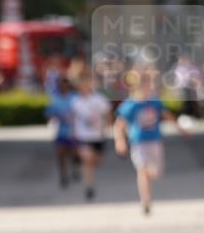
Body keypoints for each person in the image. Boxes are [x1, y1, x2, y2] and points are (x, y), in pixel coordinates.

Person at [113, 70, 189, 215]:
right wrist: (120, 141)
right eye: (145, 84)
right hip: (138, 142)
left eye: (149, 84)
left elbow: (167, 116)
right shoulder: (130, 105)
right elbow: (119, 125)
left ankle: (147, 182)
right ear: (136, 87)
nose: (149, 87)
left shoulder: (154, 101)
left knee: (156, 173)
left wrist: (181, 130)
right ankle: (145, 201)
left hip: (154, 141)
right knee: (141, 170)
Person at [69, 71, 110, 200]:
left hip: (97, 136)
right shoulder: (75, 100)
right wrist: (73, 132)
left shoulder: (99, 99)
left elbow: (108, 113)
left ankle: (80, 164)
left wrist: (106, 127)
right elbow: (73, 117)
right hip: (82, 137)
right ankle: (89, 186)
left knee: (96, 161)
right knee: (87, 159)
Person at [46, 75, 78, 187]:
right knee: (60, 153)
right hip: (61, 130)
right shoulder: (55, 98)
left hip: (74, 131)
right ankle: (63, 174)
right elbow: (49, 113)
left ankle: (75, 167)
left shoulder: (75, 97)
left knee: (74, 153)